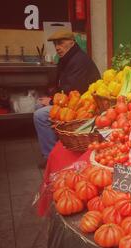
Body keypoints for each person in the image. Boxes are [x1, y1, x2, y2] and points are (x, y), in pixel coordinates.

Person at [34, 28, 100, 168]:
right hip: (73, 102)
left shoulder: (78, 61)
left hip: (83, 106)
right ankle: (55, 148)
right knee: (40, 106)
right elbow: (63, 87)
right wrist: (51, 98)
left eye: (61, 43)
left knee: (40, 115)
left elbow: (73, 91)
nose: (57, 47)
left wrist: (51, 102)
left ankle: (50, 156)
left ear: (71, 42)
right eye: (55, 44)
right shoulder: (68, 58)